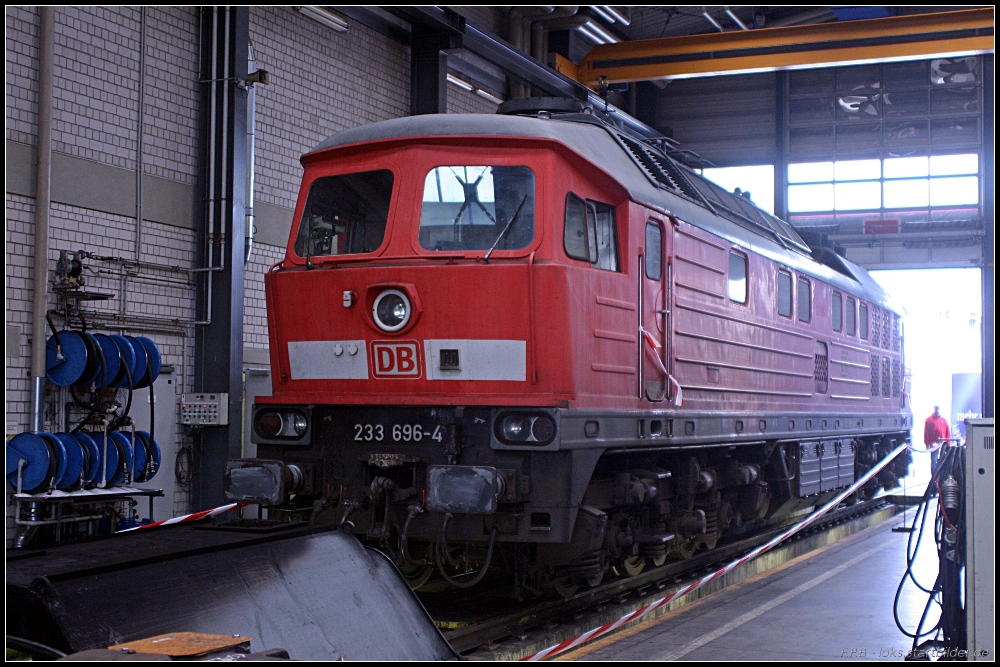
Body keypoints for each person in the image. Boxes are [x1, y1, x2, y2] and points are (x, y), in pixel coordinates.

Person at [923, 406, 950, 473]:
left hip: (943, 445)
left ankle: (942, 477)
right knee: (934, 461)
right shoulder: (928, 420)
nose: (937, 410)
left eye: (939, 409)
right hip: (933, 445)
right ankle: (934, 478)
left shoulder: (943, 420)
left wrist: (948, 444)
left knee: (943, 461)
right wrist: (927, 444)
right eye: (936, 409)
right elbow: (926, 433)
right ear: (934, 409)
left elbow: (948, 431)